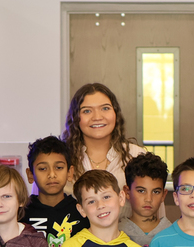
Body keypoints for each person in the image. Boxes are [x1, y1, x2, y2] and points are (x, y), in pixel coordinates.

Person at [61, 83, 150, 217]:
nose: (97, 117)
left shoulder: (137, 156)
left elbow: (154, 213)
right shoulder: (60, 159)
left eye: (105, 108)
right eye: (87, 111)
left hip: (129, 237)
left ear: (116, 113)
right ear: (75, 117)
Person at [25, 136, 89, 247]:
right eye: (43, 168)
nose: (52, 175)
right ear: (30, 174)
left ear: (70, 173)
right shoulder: (21, 213)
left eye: (59, 167)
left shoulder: (81, 213)